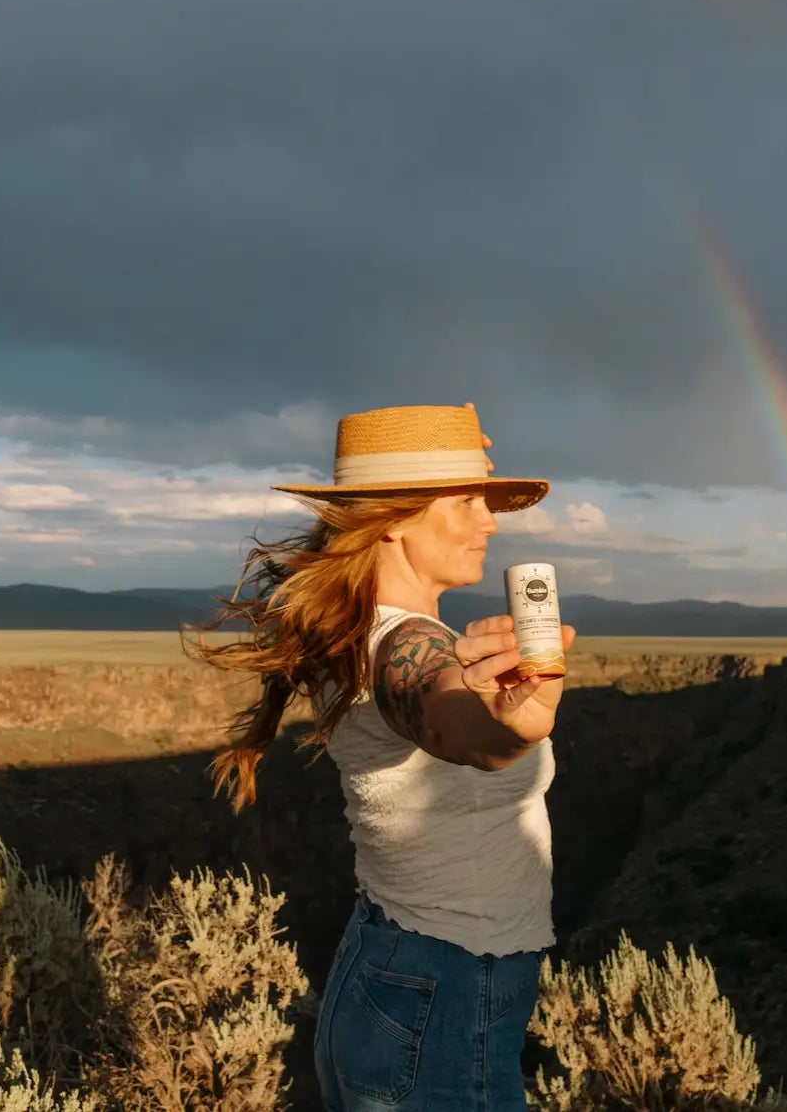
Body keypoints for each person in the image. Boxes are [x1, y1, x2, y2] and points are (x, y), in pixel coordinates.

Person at [188, 402, 575, 1111]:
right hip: (443, 995)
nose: (489, 520)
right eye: (466, 500)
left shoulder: (372, 629)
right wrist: (512, 729)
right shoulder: (400, 645)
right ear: (394, 518)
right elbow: (447, 716)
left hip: (403, 980)